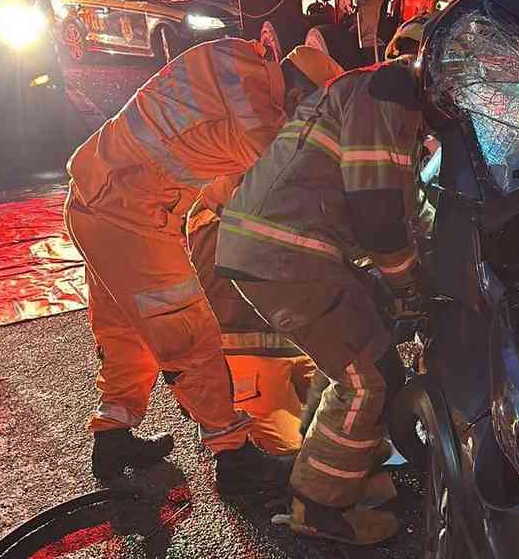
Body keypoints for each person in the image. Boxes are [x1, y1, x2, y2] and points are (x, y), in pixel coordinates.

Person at [64, 38, 342, 494]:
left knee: (125, 332)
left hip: (95, 201)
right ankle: (233, 456)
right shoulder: (255, 111)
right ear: (298, 97)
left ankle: (113, 435)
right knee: (187, 332)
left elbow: (219, 171)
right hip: (128, 216)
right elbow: (283, 192)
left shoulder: (232, 59)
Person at [214, 56, 425, 544]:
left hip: (278, 248)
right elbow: (377, 213)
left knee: (363, 366)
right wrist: (408, 285)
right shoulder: (390, 95)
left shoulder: (367, 88)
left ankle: (355, 482)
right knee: (367, 381)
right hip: (288, 254)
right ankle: (321, 508)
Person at [185, 46, 344, 456]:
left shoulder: (291, 146)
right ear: (296, 98)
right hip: (247, 344)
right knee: (288, 456)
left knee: (350, 438)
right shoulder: (257, 154)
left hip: (291, 341)